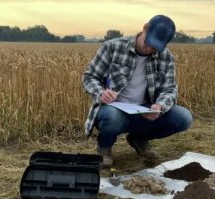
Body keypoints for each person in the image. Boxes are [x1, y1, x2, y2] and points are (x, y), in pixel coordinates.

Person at [82, 15, 193, 168]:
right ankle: (104, 147)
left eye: (155, 47)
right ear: (145, 28)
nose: (150, 49)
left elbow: (170, 89)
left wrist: (159, 106)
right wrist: (101, 92)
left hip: (144, 110)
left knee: (184, 118)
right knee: (112, 117)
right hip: (114, 108)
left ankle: (138, 139)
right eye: (149, 43)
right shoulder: (112, 47)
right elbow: (89, 77)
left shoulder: (166, 57)